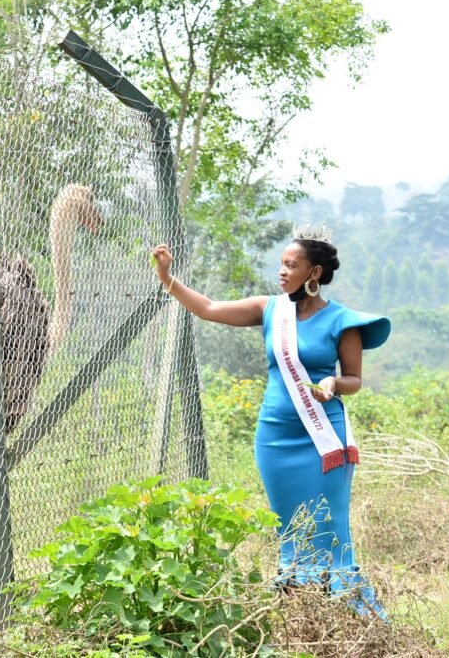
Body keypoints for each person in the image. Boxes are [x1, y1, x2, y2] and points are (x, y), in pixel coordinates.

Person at [150, 224, 391, 620]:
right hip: (275, 439)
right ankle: (300, 619)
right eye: (281, 263)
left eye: (291, 265)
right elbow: (208, 308)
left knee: (328, 525)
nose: (282, 271)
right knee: (290, 529)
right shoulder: (270, 310)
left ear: (314, 272)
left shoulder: (342, 322)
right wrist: (167, 278)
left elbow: (354, 379)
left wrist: (333, 383)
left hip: (323, 440)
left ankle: (350, 619)